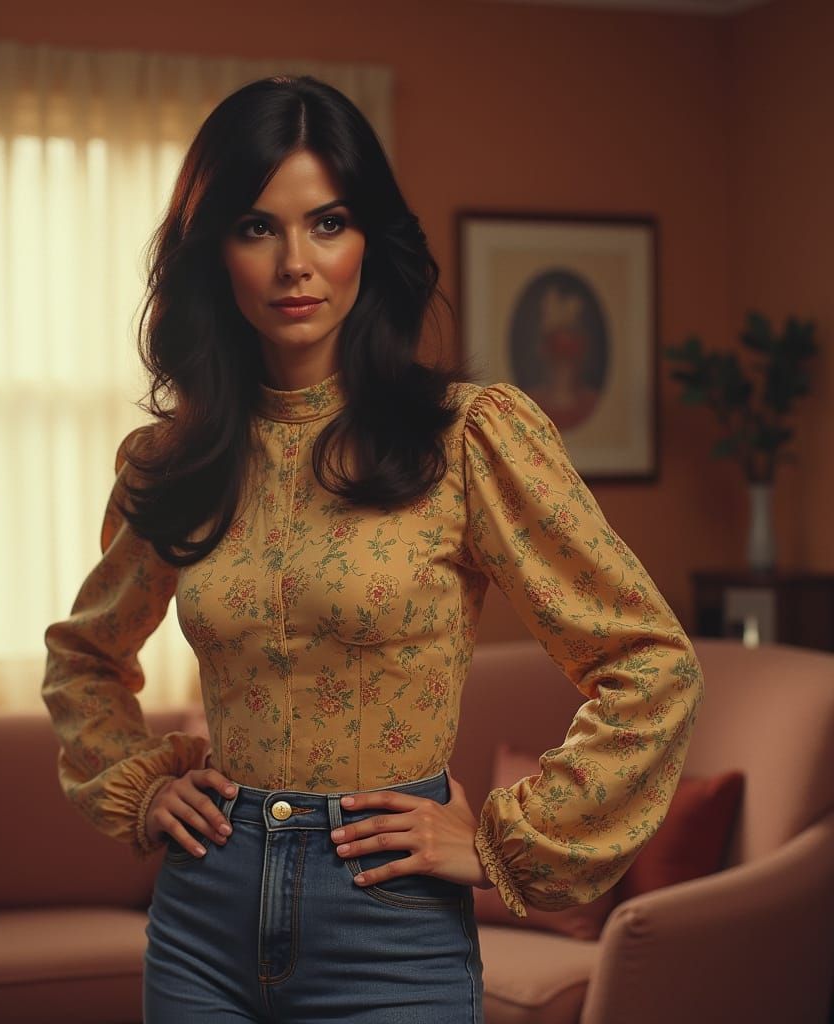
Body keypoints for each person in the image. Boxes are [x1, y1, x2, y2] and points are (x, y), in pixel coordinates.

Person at [41, 75, 704, 1024]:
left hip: (388, 927)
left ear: (368, 242)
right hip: (201, 922)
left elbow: (650, 664)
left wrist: (502, 844)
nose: (294, 265)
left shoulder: (467, 439)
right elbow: (84, 656)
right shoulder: (178, 460)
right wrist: (138, 790)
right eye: (258, 228)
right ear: (215, 252)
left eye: (328, 223)